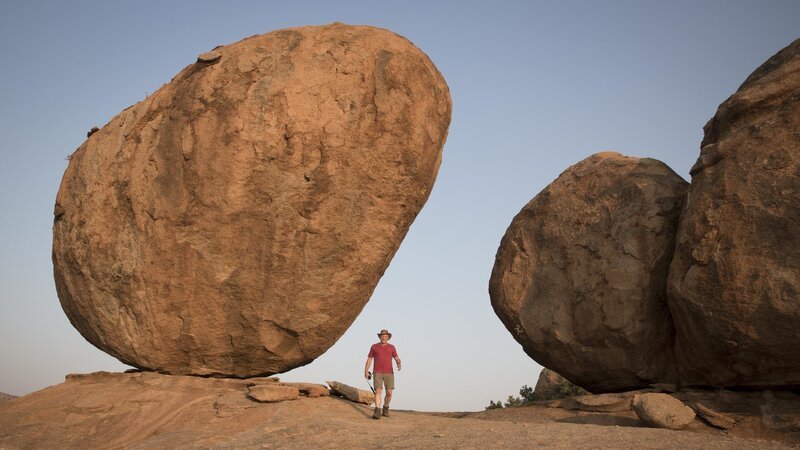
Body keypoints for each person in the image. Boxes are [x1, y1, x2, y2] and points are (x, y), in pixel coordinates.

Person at [364, 329, 401, 419]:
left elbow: (396, 357)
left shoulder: (392, 347)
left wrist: (399, 363)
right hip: (377, 372)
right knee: (378, 391)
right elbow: (369, 359)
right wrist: (366, 370)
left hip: (389, 372)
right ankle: (377, 411)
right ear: (380, 337)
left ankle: (386, 407)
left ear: (388, 337)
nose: (384, 338)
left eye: (385, 336)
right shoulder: (374, 347)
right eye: (382, 336)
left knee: (389, 393)